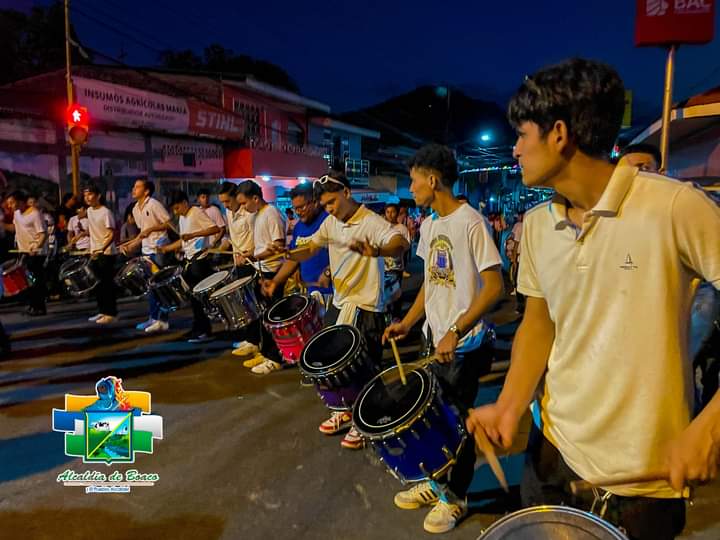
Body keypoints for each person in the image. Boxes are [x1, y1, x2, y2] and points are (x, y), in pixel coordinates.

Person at [466, 58, 720, 540]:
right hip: (551, 457)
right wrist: (510, 403)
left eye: (522, 135)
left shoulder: (673, 207)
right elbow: (539, 326)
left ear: (559, 133)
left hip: (642, 483)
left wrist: (711, 426)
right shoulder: (539, 225)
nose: (515, 149)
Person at [384, 144, 504, 534]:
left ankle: (454, 497)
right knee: (432, 420)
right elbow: (431, 286)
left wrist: (455, 331)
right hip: (434, 342)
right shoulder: (432, 224)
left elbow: (494, 288)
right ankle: (435, 482)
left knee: (457, 424)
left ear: (433, 180)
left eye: (414, 180)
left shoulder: (471, 222)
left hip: (464, 347)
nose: (411, 187)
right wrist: (408, 321)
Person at [287, 171, 409, 449]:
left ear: (346, 193)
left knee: (365, 369)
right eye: (325, 204)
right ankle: (346, 411)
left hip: (368, 306)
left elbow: (399, 244)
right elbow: (311, 247)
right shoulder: (331, 223)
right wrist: (287, 253)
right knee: (337, 367)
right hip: (343, 303)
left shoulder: (371, 221)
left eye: (332, 202)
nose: (329, 209)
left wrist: (377, 252)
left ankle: (366, 421)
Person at [234, 180, 286, 374]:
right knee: (263, 317)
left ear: (255, 198)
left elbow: (278, 246)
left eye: (244, 203)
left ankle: (275, 358)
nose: (242, 207)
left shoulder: (271, 214)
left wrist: (254, 255)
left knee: (272, 318)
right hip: (261, 270)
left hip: (272, 273)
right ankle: (266, 353)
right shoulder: (258, 215)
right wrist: (250, 252)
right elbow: (262, 245)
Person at [158, 190, 220, 343]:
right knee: (193, 299)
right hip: (189, 260)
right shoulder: (182, 218)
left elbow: (215, 229)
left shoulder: (196, 212)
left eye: (177, 207)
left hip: (200, 261)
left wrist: (194, 235)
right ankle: (197, 328)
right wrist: (168, 248)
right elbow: (184, 240)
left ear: (185, 203)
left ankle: (205, 331)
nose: (175, 211)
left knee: (199, 299)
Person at [261, 183, 332, 307]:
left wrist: (328, 272)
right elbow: (293, 260)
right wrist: (275, 281)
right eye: (295, 208)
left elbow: (345, 254)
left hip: (333, 293)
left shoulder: (329, 221)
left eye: (302, 207)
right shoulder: (298, 227)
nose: (298, 212)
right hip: (313, 292)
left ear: (315, 202)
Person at [121, 180, 173, 333]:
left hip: (159, 249)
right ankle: (153, 317)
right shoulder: (136, 209)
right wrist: (131, 245)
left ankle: (163, 320)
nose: (133, 189)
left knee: (160, 285)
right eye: (134, 186)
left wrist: (152, 229)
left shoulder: (154, 204)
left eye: (137, 187)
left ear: (146, 191)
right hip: (146, 249)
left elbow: (169, 223)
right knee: (150, 286)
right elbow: (142, 233)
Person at [5, 190, 47, 315]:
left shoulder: (35, 213)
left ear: (20, 201)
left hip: (36, 252)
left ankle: (40, 308)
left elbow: (43, 233)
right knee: (27, 281)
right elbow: (14, 228)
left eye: (12, 203)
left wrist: (36, 248)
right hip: (23, 250)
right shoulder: (17, 213)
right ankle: (33, 306)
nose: (10, 206)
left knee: (35, 280)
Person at [84, 185, 118, 325]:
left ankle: (112, 313)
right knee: (97, 285)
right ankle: (102, 311)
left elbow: (112, 234)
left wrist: (101, 248)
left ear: (98, 196)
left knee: (107, 285)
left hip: (106, 253)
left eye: (90, 194)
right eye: (85, 195)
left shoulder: (106, 212)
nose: (87, 197)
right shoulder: (89, 211)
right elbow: (93, 232)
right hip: (95, 252)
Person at [382, 203, 411, 319]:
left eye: (392, 212)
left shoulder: (402, 229)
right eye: (387, 212)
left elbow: (407, 246)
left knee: (395, 294)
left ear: (397, 213)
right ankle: (385, 317)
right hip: (382, 268)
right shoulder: (381, 228)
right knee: (383, 294)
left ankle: (396, 317)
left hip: (396, 268)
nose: (390, 214)